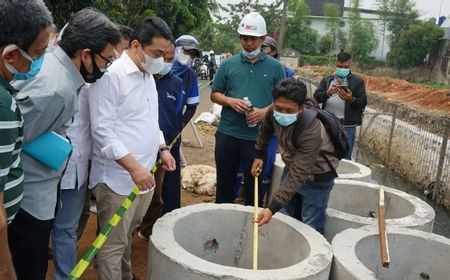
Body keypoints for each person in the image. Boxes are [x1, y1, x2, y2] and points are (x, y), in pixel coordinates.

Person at [8, 8, 121, 280]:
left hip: (34, 190)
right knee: (29, 268)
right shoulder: (58, 90)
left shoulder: (53, 67)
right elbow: (12, 140)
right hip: (29, 201)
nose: (106, 68)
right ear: (85, 55)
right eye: (106, 61)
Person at [88, 17, 175, 280]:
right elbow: (102, 131)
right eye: (157, 53)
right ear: (136, 45)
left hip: (143, 176)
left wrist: (162, 148)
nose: (161, 60)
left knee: (127, 235)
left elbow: (150, 120)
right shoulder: (111, 77)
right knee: (112, 245)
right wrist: (134, 167)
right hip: (118, 180)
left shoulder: (147, 75)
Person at [0, 1, 53, 279]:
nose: (39, 61)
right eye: (37, 53)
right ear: (10, 55)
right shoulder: (2, 104)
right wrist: (6, 267)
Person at [211, 11, 285, 206]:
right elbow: (215, 93)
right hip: (228, 134)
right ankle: (222, 222)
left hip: (257, 140)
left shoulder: (276, 67)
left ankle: (250, 228)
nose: (248, 43)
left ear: (262, 39)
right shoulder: (228, 64)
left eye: (253, 39)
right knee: (225, 184)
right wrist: (230, 101)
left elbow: (284, 100)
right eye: (244, 38)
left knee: (254, 188)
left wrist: (264, 112)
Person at [252, 79, 339, 234]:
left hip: (318, 177)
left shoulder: (312, 131)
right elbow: (265, 130)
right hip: (292, 167)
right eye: (279, 108)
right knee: (285, 214)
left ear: (300, 109)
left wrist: (271, 208)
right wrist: (259, 155)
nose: (282, 113)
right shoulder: (274, 111)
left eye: (289, 111)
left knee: (310, 223)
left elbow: (299, 173)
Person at [138, 41, 184, 239]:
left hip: (162, 147)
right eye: (162, 58)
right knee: (133, 194)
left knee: (155, 194)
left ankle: (147, 231)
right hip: (138, 147)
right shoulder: (142, 78)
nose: (166, 63)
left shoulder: (176, 83)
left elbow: (176, 114)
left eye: (170, 59)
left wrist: (167, 145)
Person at [165, 35, 201, 213]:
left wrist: (179, 127)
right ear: (176, 48)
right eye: (186, 51)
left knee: (171, 174)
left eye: (192, 55)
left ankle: (168, 213)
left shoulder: (190, 76)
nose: (188, 56)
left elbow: (192, 106)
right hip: (151, 130)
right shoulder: (161, 67)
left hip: (174, 131)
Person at [313, 51, 367, 160]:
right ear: (336, 63)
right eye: (340, 66)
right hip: (327, 123)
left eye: (346, 67)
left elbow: (363, 102)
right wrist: (328, 93)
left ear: (350, 64)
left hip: (347, 126)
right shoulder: (327, 79)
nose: (342, 69)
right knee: (324, 152)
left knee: (345, 155)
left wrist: (351, 99)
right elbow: (316, 97)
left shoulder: (358, 82)